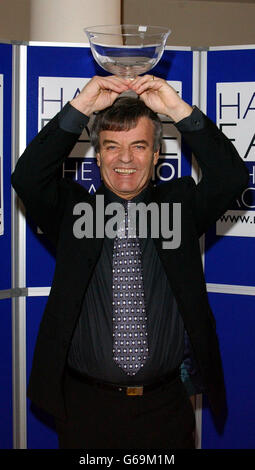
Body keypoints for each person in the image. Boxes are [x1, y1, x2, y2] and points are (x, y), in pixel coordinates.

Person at [11, 74, 248, 449]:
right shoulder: (74, 213)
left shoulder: (179, 211)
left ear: (156, 155)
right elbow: (27, 177)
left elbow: (232, 177)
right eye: (111, 146)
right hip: (85, 411)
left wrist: (175, 109)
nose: (125, 159)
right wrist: (83, 105)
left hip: (165, 410)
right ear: (97, 153)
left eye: (139, 146)